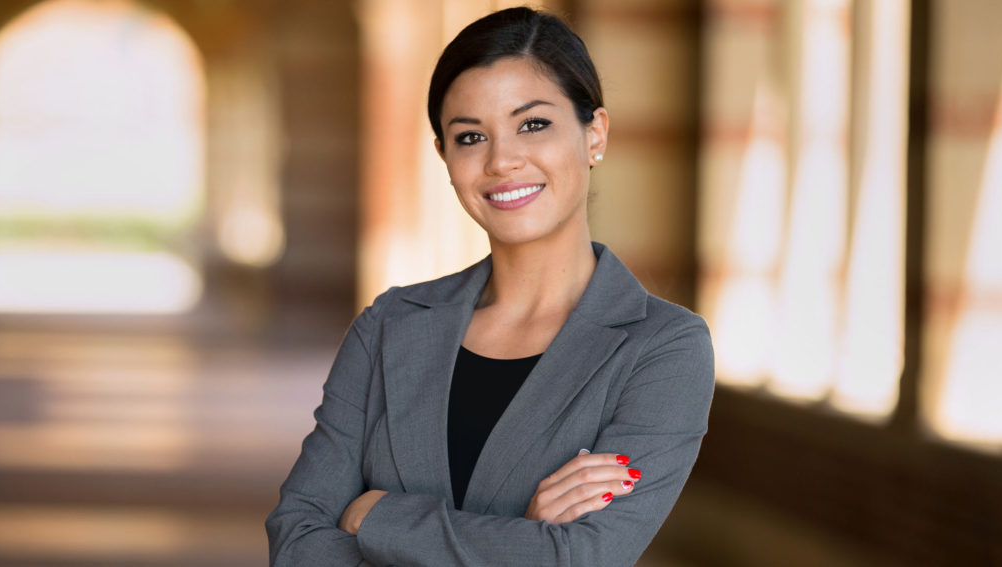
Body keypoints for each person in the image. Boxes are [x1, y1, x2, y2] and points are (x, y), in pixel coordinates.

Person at [266, 7, 714, 566]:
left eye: (532, 124)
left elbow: (578, 558)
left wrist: (375, 514)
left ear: (594, 133)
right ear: (445, 158)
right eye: (471, 136)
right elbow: (296, 541)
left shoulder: (663, 347)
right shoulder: (388, 325)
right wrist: (516, 537)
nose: (502, 161)